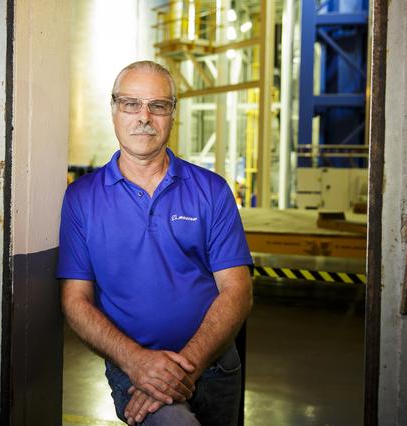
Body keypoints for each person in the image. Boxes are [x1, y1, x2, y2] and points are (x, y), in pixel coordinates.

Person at [57, 60, 253, 425]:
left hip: (215, 367)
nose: (144, 117)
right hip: (132, 371)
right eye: (131, 104)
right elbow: (75, 301)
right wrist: (138, 363)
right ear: (114, 109)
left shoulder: (211, 190)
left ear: (172, 114)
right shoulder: (81, 198)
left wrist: (181, 369)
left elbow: (237, 291)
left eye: (158, 105)